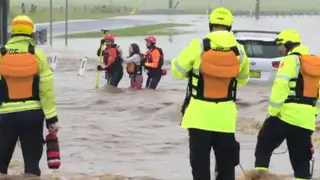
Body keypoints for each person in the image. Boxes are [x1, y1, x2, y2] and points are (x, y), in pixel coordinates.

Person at [171, 7, 250, 180]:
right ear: (230, 26)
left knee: (200, 166)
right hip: (225, 119)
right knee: (226, 167)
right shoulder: (240, 50)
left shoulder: (198, 45)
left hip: (198, 117)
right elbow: (243, 79)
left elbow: (177, 71)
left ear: (210, 25)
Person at [254, 29, 320, 179]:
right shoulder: (317, 63)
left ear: (288, 45)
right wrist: (313, 113)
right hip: (306, 121)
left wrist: (272, 113)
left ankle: (259, 177)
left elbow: (280, 87)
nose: (279, 49)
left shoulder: (289, 61)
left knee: (263, 144)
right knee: (301, 161)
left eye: (280, 45)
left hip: (284, 116)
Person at [0, 15, 59, 176]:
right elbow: (46, 90)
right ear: (32, 34)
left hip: (6, 117)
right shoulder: (37, 55)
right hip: (32, 117)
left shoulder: (1, 54)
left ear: (12, 33)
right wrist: (51, 119)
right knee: (32, 167)